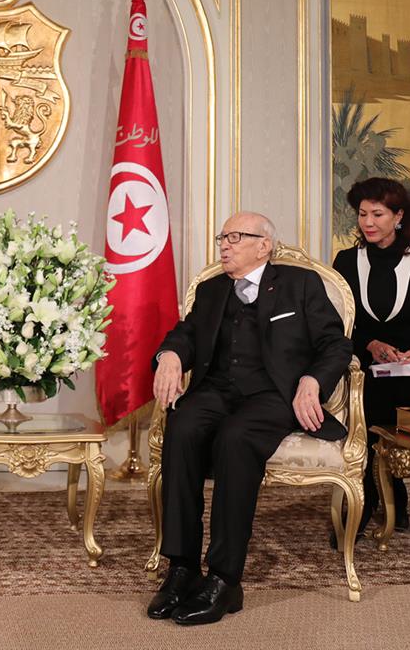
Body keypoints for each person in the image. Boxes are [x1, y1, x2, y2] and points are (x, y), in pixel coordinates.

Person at [148, 211, 352, 625]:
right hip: (217, 389)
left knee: (235, 439)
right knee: (183, 425)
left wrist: (312, 380)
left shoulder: (301, 285)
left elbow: (335, 344)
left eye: (235, 237)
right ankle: (182, 568)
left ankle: (225, 578)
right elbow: (185, 334)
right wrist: (169, 354)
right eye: (222, 236)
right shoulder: (210, 291)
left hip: (273, 394)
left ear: (264, 245)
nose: (224, 244)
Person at [332, 177, 410, 538]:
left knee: (391, 393)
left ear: (398, 216)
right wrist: (369, 345)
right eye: (363, 213)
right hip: (363, 366)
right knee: (366, 394)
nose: (368, 221)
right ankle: (374, 492)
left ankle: (379, 490)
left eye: (377, 214)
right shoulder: (346, 261)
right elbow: (338, 323)